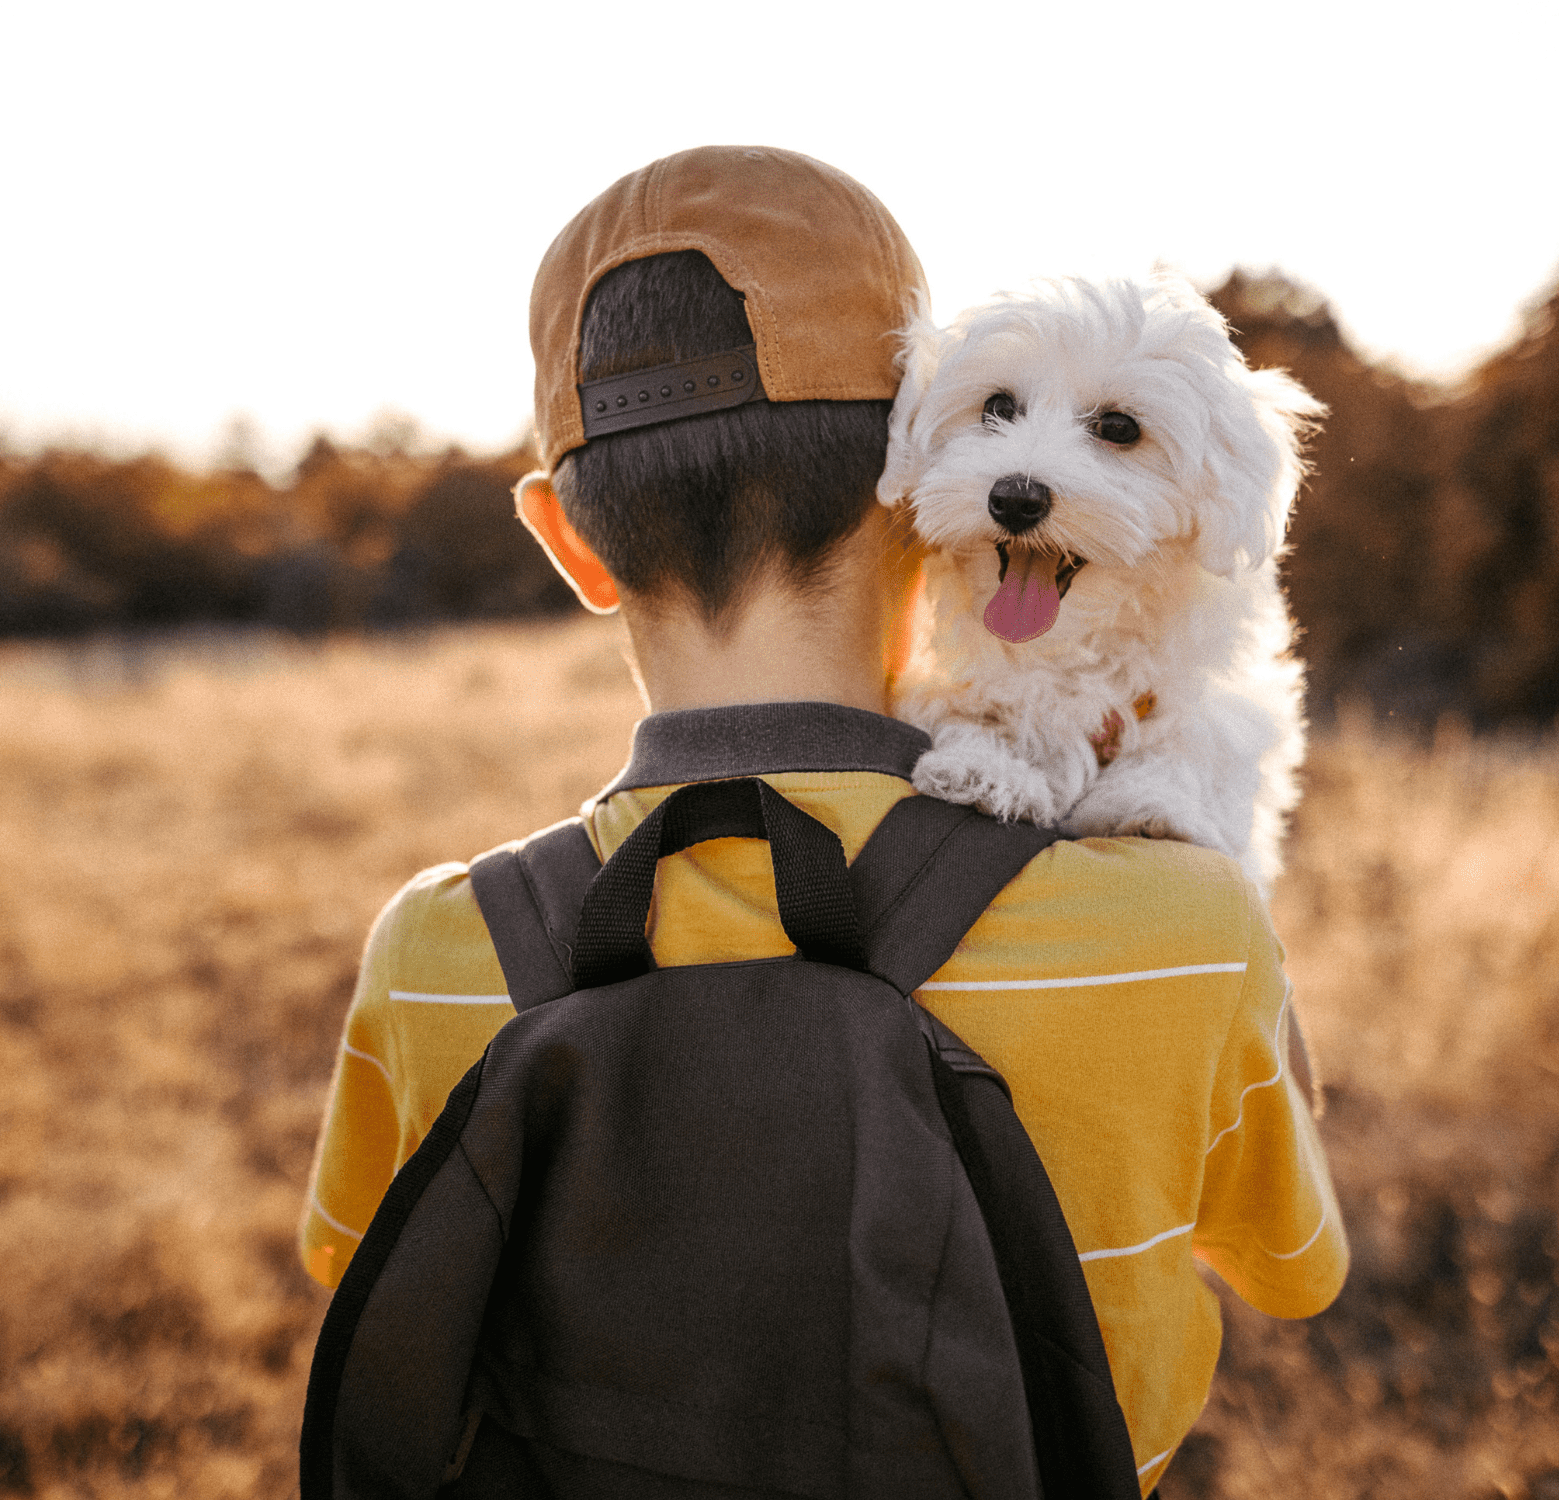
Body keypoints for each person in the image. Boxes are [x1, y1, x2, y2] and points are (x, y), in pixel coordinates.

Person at [300, 144, 1346, 1493]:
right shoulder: (1183, 921)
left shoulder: (436, 951)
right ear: (910, 502)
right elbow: (1293, 1271)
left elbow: (357, 1259)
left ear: (569, 541)